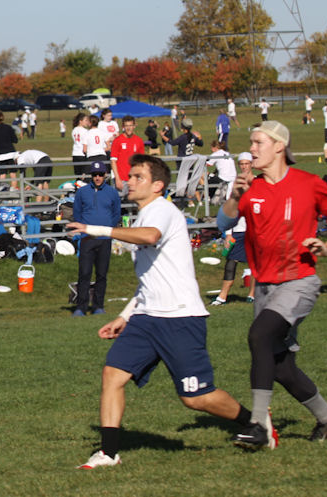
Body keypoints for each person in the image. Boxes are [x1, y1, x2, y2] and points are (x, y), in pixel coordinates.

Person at [68, 154, 255, 468]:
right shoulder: (141, 216)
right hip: (147, 317)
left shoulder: (163, 211)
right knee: (112, 374)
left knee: (195, 398)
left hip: (180, 317)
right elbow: (149, 279)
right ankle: (108, 453)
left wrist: (96, 229)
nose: (129, 181)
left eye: (138, 177)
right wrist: (125, 316)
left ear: (157, 185)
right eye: (130, 175)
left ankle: (255, 422)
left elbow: (151, 236)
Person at [218, 121, 327, 448]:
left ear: (279, 146)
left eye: (258, 142)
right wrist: (235, 196)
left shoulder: (308, 183)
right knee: (280, 366)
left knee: (260, 336)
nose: (251, 149)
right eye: (251, 143)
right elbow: (223, 222)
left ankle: (258, 426)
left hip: (299, 281)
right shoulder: (251, 188)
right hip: (265, 287)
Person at [71, 161, 121, 317]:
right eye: (94, 175)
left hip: (104, 239)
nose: (97, 177)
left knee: (101, 274)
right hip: (87, 239)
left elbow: (116, 213)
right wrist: (85, 230)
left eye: (100, 174)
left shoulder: (112, 193)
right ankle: (81, 307)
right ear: (91, 176)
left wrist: (108, 229)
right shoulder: (82, 192)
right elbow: (77, 212)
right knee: (84, 273)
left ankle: (98, 305)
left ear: (105, 175)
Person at [211, 153, 256, 306]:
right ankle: (222, 296)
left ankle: (252, 294)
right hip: (238, 227)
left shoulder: (258, 182)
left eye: (247, 163)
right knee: (231, 262)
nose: (244, 166)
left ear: (251, 164)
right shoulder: (234, 183)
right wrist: (228, 234)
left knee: (255, 263)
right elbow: (229, 208)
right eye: (242, 164)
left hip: (254, 228)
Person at [109, 115, 144, 192]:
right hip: (121, 180)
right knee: (120, 199)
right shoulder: (117, 141)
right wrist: (117, 179)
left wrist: (140, 177)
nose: (129, 128)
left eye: (130, 125)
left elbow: (141, 162)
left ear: (134, 126)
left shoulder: (139, 141)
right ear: (123, 127)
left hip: (134, 179)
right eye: (126, 126)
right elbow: (113, 161)